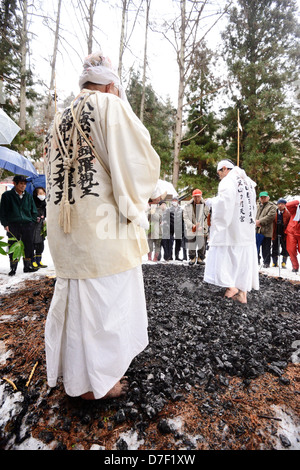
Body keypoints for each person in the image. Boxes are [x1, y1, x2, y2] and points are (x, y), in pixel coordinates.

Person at [44, 51, 160, 400]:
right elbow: (135, 162)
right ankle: (101, 382)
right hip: (102, 228)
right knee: (105, 303)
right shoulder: (110, 106)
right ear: (112, 85)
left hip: (67, 227)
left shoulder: (59, 118)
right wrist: (137, 204)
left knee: (77, 302)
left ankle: (77, 380)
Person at [204, 160, 259, 304]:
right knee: (243, 260)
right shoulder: (247, 182)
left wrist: (211, 202)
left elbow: (224, 203)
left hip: (231, 230)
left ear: (224, 169)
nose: (220, 177)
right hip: (246, 230)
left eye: (219, 174)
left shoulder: (228, 181)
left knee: (224, 257)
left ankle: (231, 287)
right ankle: (242, 293)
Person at [0, 174, 38, 275]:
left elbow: (34, 211)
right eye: (21, 183)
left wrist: (32, 222)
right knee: (13, 245)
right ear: (14, 184)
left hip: (27, 225)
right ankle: (13, 268)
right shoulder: (7, 196)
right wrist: (5, 224)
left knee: (28, 245)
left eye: (24, 184)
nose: (23, 186)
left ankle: (27, 266)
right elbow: (2, 212)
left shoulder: (28, 196)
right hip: (13, 225)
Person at [183, 189, 209, 265]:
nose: (197, 198)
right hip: (192, 227)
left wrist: (202, 226)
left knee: (202, 244)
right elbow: (185, 217)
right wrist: (192, 226)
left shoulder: (205, 205)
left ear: (201, 196)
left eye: (198, 197)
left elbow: (207, 217)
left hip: (202, 227)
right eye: (195, 197)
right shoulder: (188, 206)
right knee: (191, 243)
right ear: (192, 197)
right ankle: (192, 258)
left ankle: (200, 258)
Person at [255, 191, 276, 268]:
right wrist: (255, 222)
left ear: (268, 197)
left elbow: (271, 216)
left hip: (266, 230)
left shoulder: (272, 206)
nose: (263, 199)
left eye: (264, 197)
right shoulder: (257, 205)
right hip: (257, 230)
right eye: (261, 197)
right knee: (255, 246)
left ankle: (266, 262)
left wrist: (259, 221)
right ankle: (256, 260)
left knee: (266, 247)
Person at [271, 198, 291, 268]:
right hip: (275, 232)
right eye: (279, 204)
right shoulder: (274, 213)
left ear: (285, 205)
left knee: (285, 248)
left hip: (284, 233)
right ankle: (274, 262)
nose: (280, 206)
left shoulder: (288, 214)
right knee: (274, 247)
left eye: (282, 204)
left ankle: (284, 262)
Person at [32, 187, 47, 268]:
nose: (42, 195)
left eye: (43, 193)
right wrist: (36, 217)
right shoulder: (32, 202)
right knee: (33, 243)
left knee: (41, 244)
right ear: (36, 194)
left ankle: (39, 260)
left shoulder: (44, 203)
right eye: (40, 193)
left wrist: (44, 217)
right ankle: (33, 261)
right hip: (33, 226)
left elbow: (45, 213)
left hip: (41, 226)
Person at [285, 199, 300, 273]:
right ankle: (295, 267)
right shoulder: (295, 208)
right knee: (291, 250)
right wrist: (297, 202)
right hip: (291, 231)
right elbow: (287, 205)